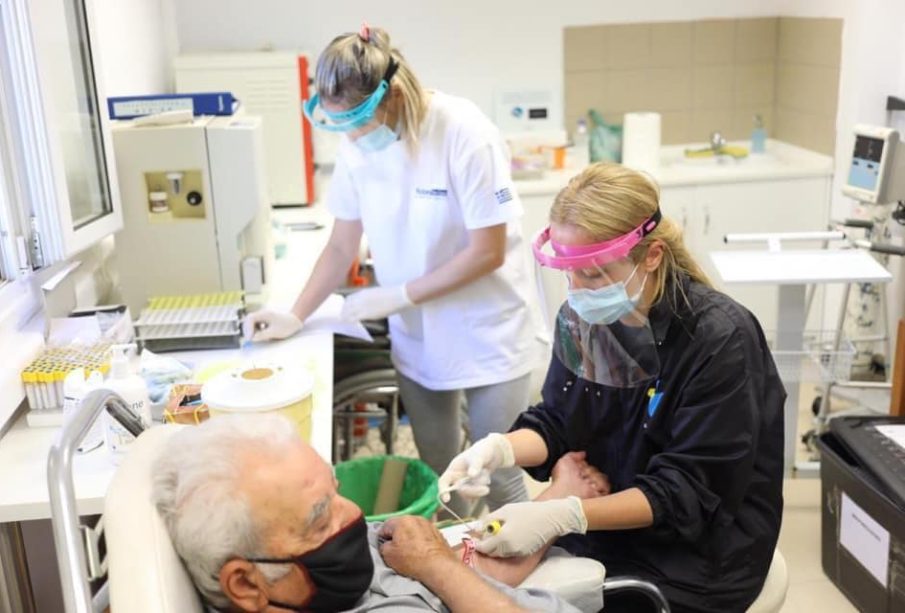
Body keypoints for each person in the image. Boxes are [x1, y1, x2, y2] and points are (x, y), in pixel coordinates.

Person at [438, 163, 786, 612]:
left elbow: (687, 495)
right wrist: (497, 450)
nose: (577, 290)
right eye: (568, 272)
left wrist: (561, 513)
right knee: (463, 583)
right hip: (602, 520)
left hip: (691, 558)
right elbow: (559, 420)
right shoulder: (588, 317)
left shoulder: (720, 340)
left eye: (593, 274)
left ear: (652, 255)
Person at [243, 24, 546, 515]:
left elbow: (488, 251)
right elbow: (341, 244)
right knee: (441, 472)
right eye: (340, 124)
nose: (351, 135)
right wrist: (295, 314)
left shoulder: (465, 133)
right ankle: (457, 556)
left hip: (488, 331)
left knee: (498, 475)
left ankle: (529, 558)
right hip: (418, 334)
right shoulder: (358, 145)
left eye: (359, 121)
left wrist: (401, 294)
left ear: (395, 95)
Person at [151, 414, 608, 612]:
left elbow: (469, 566)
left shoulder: (315, 571)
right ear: (246, 584)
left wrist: (554, 503)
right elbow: (450, 572)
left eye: (335, 491)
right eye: (321, 518)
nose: (353, 513)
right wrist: (438, 567)